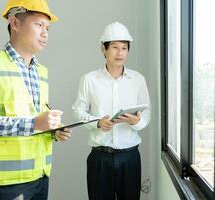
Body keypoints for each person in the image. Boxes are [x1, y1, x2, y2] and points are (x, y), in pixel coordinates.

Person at [0, 0, 71, 199]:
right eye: (39, 25)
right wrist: (34, 123)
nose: (45, 33)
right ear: (15, 23)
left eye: (48, 28)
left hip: (41, 176)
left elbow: (35, 117)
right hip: (8, 184)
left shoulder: (41, 71)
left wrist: (53, 130)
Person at [72, 21, 151, 200]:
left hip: (130, 157)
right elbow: (78, 111)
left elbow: (147, 113)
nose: (120, 53)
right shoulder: (89, 80)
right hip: (100, 158)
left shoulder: (138, 80)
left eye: (124, 48)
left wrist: (137, 121)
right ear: (103, 49)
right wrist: (97, 123)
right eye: (115, 47)